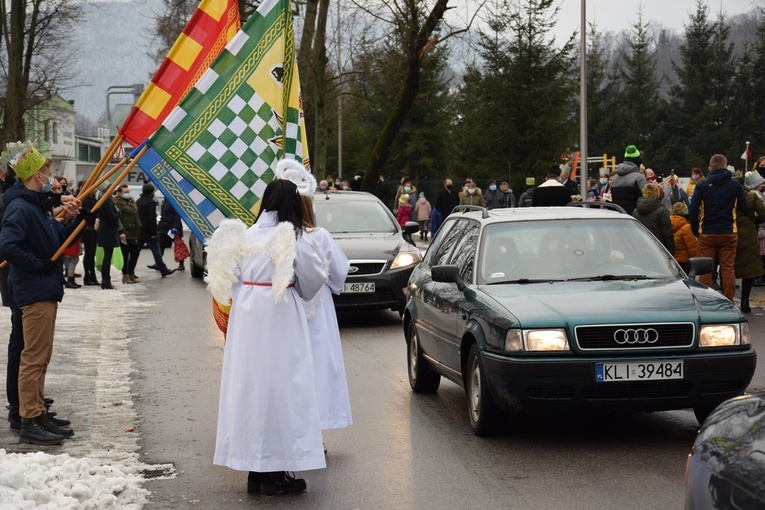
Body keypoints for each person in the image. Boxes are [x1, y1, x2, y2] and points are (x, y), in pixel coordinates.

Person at [205, 178, 329, 495]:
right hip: (279, 314)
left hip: (247, 317)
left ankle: (255, 470)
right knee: (280, 388)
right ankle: (274, 472)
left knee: (250, 388)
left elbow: (229, 278)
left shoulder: (245, 235)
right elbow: (313, 280)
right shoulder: (291, 238)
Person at [0, 141, 81, 444]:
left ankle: (37, 410)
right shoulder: (21, 207)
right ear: (35, 175)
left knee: (41, 355)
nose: (51, 176)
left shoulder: (35, 205)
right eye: (47, 171)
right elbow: (8, 246)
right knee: (33, 357)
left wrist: (75, 220)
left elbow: (53, 240)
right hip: (34, 290)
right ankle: (29, 418)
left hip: (44, 288)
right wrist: (39, 265)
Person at [276, 159, 353, 438]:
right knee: (318, 363)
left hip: (287, 307)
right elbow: (338, 271)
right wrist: (331, 283)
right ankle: (314, 430)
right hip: (318, 310)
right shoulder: (319, 236)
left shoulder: (280, 235)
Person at [689, 154, 748, 301]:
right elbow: (744, 207)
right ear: (725, 166)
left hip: (707, 231)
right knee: (727, 268)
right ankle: (729, 299)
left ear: (710, 167)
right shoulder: (735, 185)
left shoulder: (702, 185)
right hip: (728, 231)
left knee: (705, 268)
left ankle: (706, 299)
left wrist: (695, 229)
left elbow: (693, 209)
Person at [734, 171, 765, 312]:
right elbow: (763, 213)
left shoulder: (727, 196)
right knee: (750, 269)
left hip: (730, 231)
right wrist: (754, 221)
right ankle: (745, 300)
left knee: (728, 267)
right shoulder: (752, 196)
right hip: (748, 233)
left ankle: (728, 299)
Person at [136, 182, 176, 278]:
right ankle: (163, 269)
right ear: (152, 192)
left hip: (140, 231)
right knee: (156, 251)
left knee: (135, 252)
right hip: (149, 232)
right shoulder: (151, 202)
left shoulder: (138, 201)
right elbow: (152, 219)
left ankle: (128, 270)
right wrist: (154, 233)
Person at [633, 182, 674, 254]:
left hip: (641, 248)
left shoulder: (636, 211)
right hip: (659, 249)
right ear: (657, 194)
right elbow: (667, 233)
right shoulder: (662, 210)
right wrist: (671, 252)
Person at [114, 184, 142, 284]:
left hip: (135, 232)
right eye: (125, 192)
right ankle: (125, 275)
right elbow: (118, 219)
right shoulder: (118, 203)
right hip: (125, 232)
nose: (127, 194)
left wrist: (139, 226)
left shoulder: (131, 201)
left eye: (128, 192)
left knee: (135, 254)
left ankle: (131, 273)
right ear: (119, 193)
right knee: (125, 255)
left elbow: (136, 215)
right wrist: (121, 232)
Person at [610, 145, 646, 215]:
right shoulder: (639, 178)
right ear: (638, 162)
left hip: (619, 217)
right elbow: (645, 201)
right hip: (634, 219)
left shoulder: (615, 178)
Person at [97, 189, 121, 290]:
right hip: (108, 231)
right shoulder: (106, 200)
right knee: (107, 256)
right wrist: (119, 213)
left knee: (108, 255)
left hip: (108, 230)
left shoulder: (108, 199)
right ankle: (106, 281)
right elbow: (112, 216)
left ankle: (106, 280)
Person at [78, 181, 99, 286]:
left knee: (92, 254)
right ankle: (87, 276)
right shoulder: (85, 199)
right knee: (89, 254)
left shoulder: (93, 199)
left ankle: (92, 276)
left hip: (93, 228)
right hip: (88, 228)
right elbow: (87, 211)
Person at [669, 202, 698, 274]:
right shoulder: (686, 227)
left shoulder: (666, 224)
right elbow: (692, 248)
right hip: (684, 262)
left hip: (671, 261)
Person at [158, 199, 186, 271]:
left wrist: (175, 227)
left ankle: (181, 264)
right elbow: (163, 216)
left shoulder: (174, 201)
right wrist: (159, 227)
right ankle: (158, 263)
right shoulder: (164, 201)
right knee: (161, 245)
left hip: (173, 228)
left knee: (178, 246)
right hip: (164, 227)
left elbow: (177, 215)